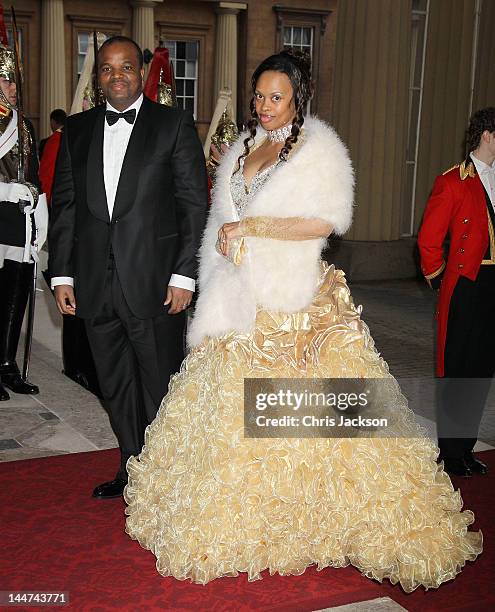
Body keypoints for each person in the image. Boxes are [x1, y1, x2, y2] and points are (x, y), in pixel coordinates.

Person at [124, 51, 482, 591]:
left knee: (319, 422)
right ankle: (255, 520)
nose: (265, 106)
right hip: (235, 299)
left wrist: (254, 228)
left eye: (276, 97)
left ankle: (331, 519)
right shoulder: (241, 148)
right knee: (233, 421)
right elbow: (221, 221)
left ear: (298, 98)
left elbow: (329, 219)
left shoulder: (320, 149)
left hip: (295, 304)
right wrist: (221, 254)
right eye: (259, 96)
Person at [48, 35, 208, 499]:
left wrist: (184, 275)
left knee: (159, 383)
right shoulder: (75, 132)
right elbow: (65, 208)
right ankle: (132, 468)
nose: (116, 75)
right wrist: (62, 274)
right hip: (95, 284)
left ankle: (166, 475)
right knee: (115, 385)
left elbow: (192, 207)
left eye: (125, 67)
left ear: (141, 73)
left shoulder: (173, 125)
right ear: (97, 78)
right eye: (105, 69)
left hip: (155, 284)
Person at [418, 107, 495, 477]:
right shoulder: (452, 181)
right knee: (458, 368)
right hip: (466, 285)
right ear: (487, 135)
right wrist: (443, 275)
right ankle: (450, 453)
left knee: (481, 369)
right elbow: (429, 239)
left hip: (493, 288)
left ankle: (466, 449)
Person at [0, 41, 47, 401]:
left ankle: (7, 363)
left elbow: (32, 172)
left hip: (20, 223)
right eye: (5, 81)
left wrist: (36, 201)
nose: (12, 88)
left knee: (16, 295)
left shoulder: (26, 124)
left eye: (14, 82)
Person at [39, 108, 66, 204]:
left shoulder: (53, 141)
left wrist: (45, 198)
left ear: (52, 122)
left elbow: (46, 171)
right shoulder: (74, 137)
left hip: (55, 194)